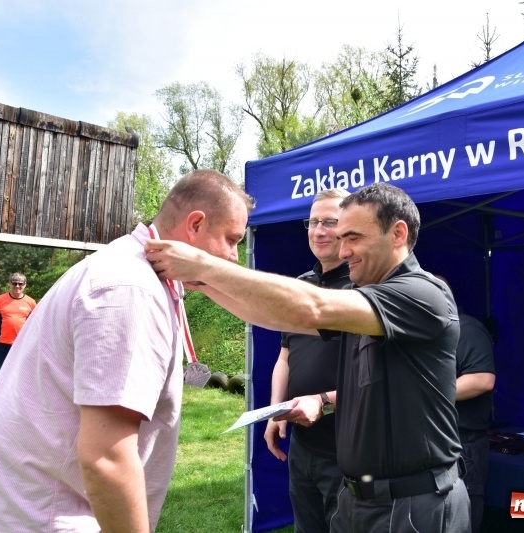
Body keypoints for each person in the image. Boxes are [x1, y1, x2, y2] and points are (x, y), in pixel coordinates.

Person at [146, 183, 470, 533]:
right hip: (360, 500)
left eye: (354, 238)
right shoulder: (369, 297)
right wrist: (203, 283)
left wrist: (205, 266)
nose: (343, 251)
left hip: (412, 505)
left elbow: (312, 308)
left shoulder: (422, 294)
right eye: (340, 236)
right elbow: (281, 318)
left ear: (398, 233)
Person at [0, 170, 254, 533]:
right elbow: (106, 456)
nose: (234, 256)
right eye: (232, 240)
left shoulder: (134, 268)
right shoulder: (130, 288)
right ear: (196, 224)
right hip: (38, 518)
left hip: (32, 508)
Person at [264, 188, 349, 532]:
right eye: (313, 222)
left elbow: (380, 377)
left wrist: (324, 403)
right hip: (303, 444)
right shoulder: (301, 285)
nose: (318, 230)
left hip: (348, 448)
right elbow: (285, 355)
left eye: (330, 221)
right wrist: (275, 412)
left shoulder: (364, 288)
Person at [435, 275, 495, 533]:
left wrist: (424, 393)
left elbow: (482, 380)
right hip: (432, 443)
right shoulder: (426, 333)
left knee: (461, 522)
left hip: (463, 445)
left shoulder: (467, 329)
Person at [0, 272, 36, 378]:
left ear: (25, 285)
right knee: (0, 375)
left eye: (20, 284)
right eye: (14, 283)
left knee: (19, 376)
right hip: (2, 345)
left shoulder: (31, 302)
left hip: (21, 344)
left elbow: (34, 323)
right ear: (9, 284)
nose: (17, 286)